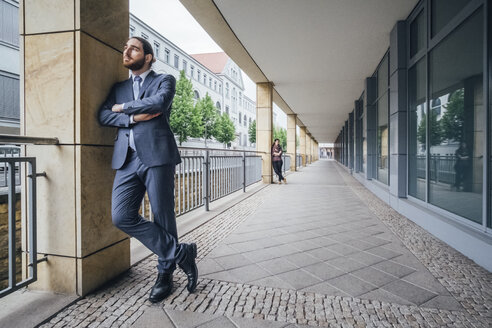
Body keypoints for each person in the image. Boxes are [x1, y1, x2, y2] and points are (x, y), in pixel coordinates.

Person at [98, 36, 198, 303]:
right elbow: (103, 115)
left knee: (163, 216)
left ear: (148, 56)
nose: (126, 51)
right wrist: (132, 117)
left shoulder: (164, 80)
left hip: (157, 155)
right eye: (125, 47)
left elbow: (159, 103)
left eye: (133, 48)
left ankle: (165, 275)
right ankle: (179, 253)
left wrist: (123, 108)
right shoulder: (118, 87)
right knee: (121, 216)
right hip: (127, 159)